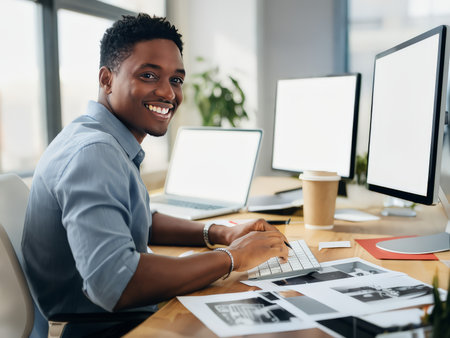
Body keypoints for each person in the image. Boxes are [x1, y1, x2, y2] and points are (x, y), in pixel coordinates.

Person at [22, 13, 289, 336]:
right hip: (101, 328)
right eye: (149, 75)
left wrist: (221, 233)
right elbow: (114, 282)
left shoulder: (101, 139)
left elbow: (139, 219)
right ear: (107, 79)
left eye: (176, 80)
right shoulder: (94, 153)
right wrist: (233, 257)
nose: (168, 93)